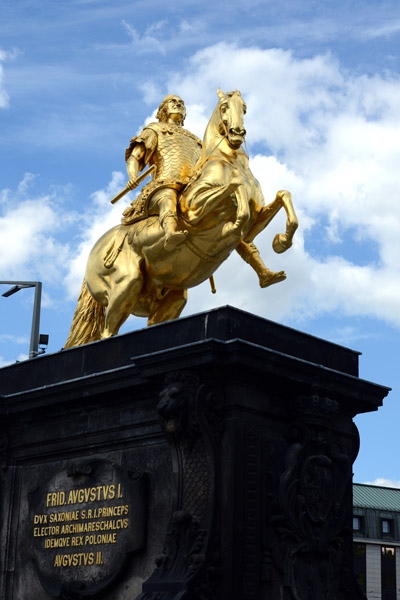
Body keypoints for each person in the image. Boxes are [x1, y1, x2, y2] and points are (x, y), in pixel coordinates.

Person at [122, 95, 202, 250]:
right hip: (164, 184)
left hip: (191, 186)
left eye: (181, 103)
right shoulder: (155, 129)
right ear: (164, 109)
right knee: (168, 195)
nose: (178, 104)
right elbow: (135, 157)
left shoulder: (196, 140)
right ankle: (170, 232)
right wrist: (133, 177)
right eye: (173, 102)